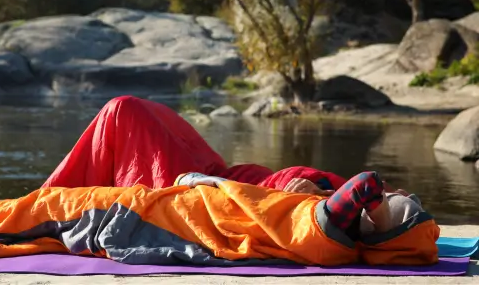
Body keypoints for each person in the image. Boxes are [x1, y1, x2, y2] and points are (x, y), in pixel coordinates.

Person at [0, 171, 438, 266]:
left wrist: (373, 194)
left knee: (35, 212)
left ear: (378, 224)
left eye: (394, 205)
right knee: (37, 213)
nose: (392, 195)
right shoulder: (335, 234)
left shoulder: (328, 229)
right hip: (162, 210)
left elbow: (362, 184)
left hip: (135, 219)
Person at [42, 96, 404, 196]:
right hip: (234, 175)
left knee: (123, 111)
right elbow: (382, 198)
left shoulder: (326, 212)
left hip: (218, 190)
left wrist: (317, 196)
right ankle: (46, 201)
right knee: (139, 112)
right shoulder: (362, 199)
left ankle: (44, 204)